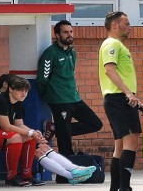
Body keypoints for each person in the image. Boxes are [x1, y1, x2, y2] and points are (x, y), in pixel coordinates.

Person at [0, 74, 97, 186]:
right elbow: (6, 126)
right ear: (9, 88)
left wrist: (35, 134)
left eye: (25, 90)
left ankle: (74, 169)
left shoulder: (17, 104)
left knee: (43, 146)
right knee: (34, 147)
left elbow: (19, 124)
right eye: (19, 89)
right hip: (1, 133)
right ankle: (71, 175)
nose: (23, 93)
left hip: (10, 133)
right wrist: (31, 133)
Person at [99, 11, 143, 191]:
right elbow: (109, 70)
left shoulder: (118, 45)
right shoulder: (112, 44)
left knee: (119, 146)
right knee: (131, 143)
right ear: (114, 25)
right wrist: (128, 94)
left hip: (120, 99)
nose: (130, 26)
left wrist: (133, 97)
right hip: (119, 99)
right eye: (126, 23)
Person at [36, 20, 103, 157]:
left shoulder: (72, 53)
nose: (69, 35)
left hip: (74, 98)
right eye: (65, 32)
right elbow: (42, 79)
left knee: (95, 124)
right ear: (57, 35)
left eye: (71, 31)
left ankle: (56, 128)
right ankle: (67, 172)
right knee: (65, 141)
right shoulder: (50, 53)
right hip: (59, 100)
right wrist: (49, 97)